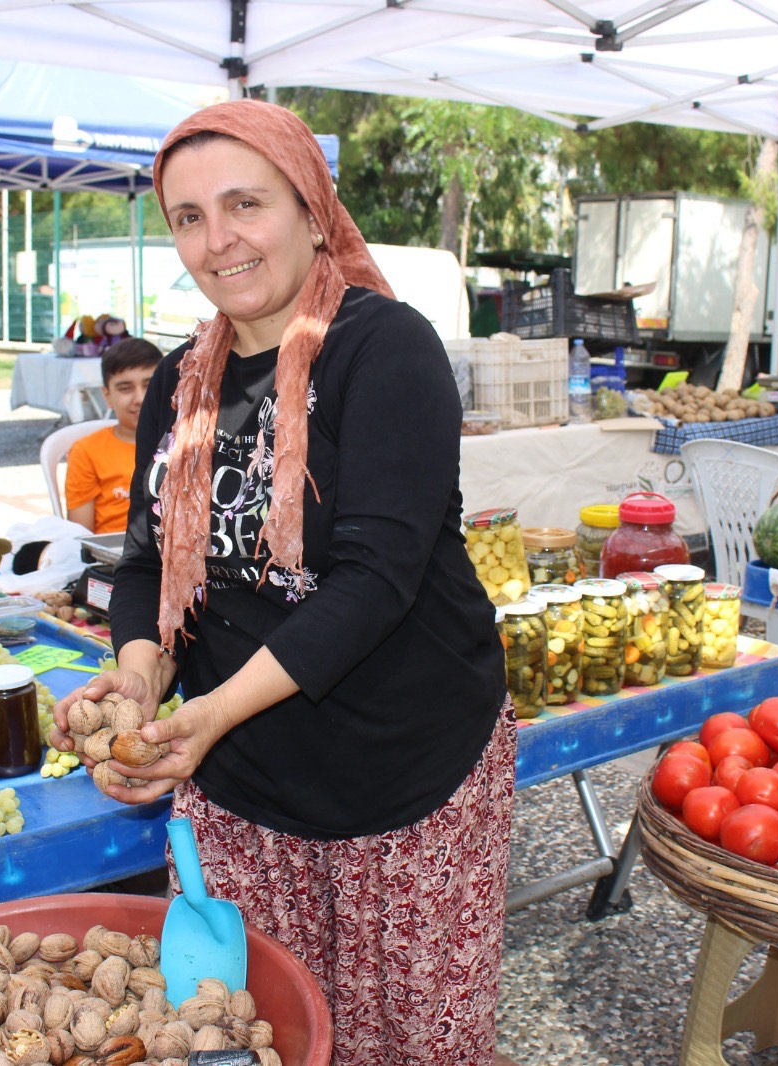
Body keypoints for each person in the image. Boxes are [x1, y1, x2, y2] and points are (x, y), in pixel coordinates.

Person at [50, 99, 514, 1066]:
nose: (218, 241)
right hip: (244, 790)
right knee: (248, 1038)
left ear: (310, 210)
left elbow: (376, 580)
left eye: (244, 204)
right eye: (187, 217)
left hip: (405, 775)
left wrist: (210, 711)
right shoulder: (179, 380)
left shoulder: (384, 350)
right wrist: (141, 679)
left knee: (409, 1045)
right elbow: (147, 564)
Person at [64, 337, 163, 534]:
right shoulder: (87, 451)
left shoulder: (188, 444)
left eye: (149, 385)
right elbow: (81, 536)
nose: (140, 399)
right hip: (112, 559)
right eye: (125, 388)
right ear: (107, 396)